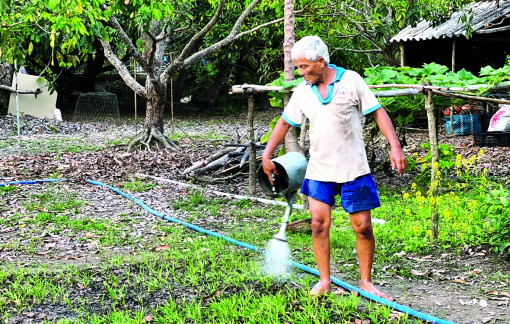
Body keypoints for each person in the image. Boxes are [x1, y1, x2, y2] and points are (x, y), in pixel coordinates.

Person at [261, 36, 406, 301]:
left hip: (354, 169)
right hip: (319, 170)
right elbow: (284, 123)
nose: (301, 73)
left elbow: (377, 112)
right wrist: (267, 154)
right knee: (317, 225)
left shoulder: (351, 80)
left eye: (305, 67)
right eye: (298, 68)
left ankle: (366, 281)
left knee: (362, 226)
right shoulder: (303, 91)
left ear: (321, 61)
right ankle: (325, 280)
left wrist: (395, 146)